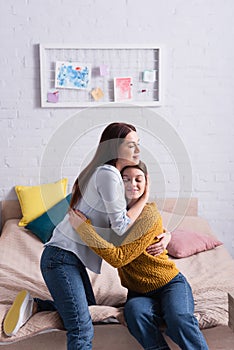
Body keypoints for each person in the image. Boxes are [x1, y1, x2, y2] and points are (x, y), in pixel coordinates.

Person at [3, 122, 159, 350]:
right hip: (60, 259)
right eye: (130, 145)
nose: (137, 150)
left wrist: (165, 237)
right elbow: (121, 227)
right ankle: (42, 306)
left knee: (88, 308)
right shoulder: (109, 175)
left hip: (70, 260)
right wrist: (145, 197)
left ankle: (37, 305)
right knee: (81, 328)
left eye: (138, 144)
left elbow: (130, 224)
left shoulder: (106, 174)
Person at [69, 161, 209, 350]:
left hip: (169, 284)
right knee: (134, 314)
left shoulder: (149, 214)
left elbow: (119, 257)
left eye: (138, 179)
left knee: (179, 319)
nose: (132, 184)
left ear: (146, 183)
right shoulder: (114, 215)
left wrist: (83, 229)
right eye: (125, 179)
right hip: (138, 292)